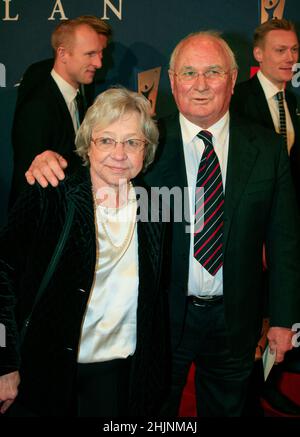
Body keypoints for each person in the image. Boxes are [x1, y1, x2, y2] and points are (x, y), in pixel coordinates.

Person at [23, 31, 300, 417]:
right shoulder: (145, 143)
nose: (200, 85)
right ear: (172, 81)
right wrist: (48, 161)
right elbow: (94, 167)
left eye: (213, 72)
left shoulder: (267, 148)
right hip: (160, 320)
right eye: (188, 73)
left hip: (236, 320)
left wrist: (284, 319)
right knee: (153, 416)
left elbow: (285, 241)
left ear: (234, 79)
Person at [0, 87, 169, 417]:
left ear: (146, 150)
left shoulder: (154, 204)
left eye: (132, 142)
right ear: (88, 145)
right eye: (106, 140)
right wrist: (3, 362)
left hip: (118, 372)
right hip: (47, 371)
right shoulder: (51, 193)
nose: (119, 154)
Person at [231, 18, 300, 415]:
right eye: (280, 50)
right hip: (249, 234)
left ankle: (266, 381)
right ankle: (245, 391)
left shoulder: (292, 100)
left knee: (279, 309)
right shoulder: (238, 100)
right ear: (258, 55)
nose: (289, 59)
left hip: (284, 229)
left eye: (294, 51)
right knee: (250, 315)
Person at [9, 16, 112, 208]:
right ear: (63, 54)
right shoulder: (37, 108)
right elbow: (32, 184)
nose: (98, 63)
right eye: (90, 54)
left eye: (100, 54)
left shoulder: (81, 89)